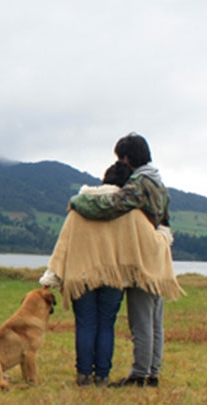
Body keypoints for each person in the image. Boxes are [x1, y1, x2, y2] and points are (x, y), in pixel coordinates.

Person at [39, 160, 172, 386]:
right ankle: (102, 376)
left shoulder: (79, 208)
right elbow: (152, 241)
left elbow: (63, 245)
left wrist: (51, 277)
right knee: (106, 324)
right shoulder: (130, 212)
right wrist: (166, 233)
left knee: (85, 324)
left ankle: (83, 375)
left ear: (103, 181)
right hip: (114, 278)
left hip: (81, 277)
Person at [68, 132, 182, 388]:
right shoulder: (159, 184)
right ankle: (152, 372)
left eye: (121, 158)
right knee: (155, 321)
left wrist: (80, 200)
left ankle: (140, 375)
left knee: (140, 321)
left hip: (142, 259)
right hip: (160, 259)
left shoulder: (139, 183)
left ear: (128, 158)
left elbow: (113, 205)